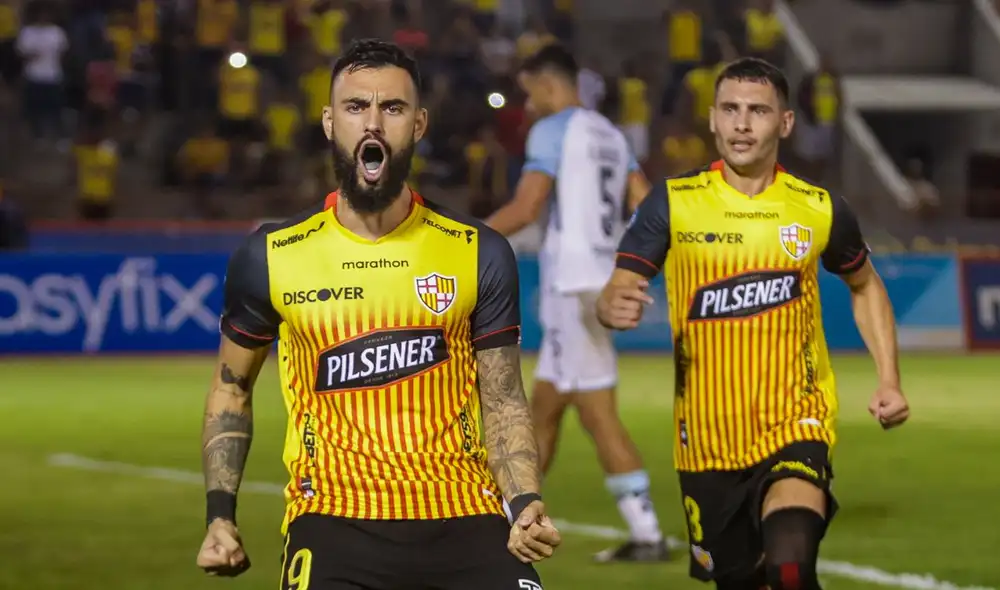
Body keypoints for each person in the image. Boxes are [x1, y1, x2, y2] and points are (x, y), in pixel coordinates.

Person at [195, 39, 560, 590]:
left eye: (391, 108)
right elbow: (232, 389)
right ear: (328, 122)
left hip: (465, 513)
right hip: (335, 521)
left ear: (418, 124)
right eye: (355, 107)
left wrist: (526, 500)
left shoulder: (478, 250)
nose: (372, 123)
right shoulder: (270, 256)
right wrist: (220, 515)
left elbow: (503, 397)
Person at [597, 57, 911, 589]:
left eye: (758, 111)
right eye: (731, 110)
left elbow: (865, 284)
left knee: (790, 566)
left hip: (795, 423)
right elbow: (617, 287)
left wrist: (889, 379)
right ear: (714, 119)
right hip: (707, 442)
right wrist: (611, 306)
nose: (742, 124)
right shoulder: (672, 204)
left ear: (784, 123)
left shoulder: (819, 209)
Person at [485, 44, 669, 563]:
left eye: (529, 93)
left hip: (574, 289)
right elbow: (648, 204)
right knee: (544, 409)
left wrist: (457, 237)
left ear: (547, 84)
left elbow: (526, 207)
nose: (530, 105)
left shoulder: (553, 130)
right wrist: (625, 264)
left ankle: (647, 533)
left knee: (595, 412)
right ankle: (512, 519)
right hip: (598, 284)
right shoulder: (609, 133)